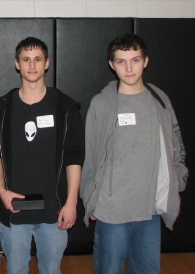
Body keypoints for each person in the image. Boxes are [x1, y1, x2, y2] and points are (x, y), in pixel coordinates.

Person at [79, 33, 188, 274]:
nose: (129, 68)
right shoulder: (102, 103)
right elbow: (92, 157)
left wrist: (177, 179)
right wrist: (91, 200)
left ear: (145, 61)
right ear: (111, 64)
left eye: (135, 60)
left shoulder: (160, 100)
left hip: (150, 211)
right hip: (111, 212)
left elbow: (176, 147)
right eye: (121, 61)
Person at [0, 37, 85, 274]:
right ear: (17, 64)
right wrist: (2, 191)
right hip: (14, 210)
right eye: (26, 59)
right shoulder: (2, 108)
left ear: (47, 63)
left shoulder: (65, 107)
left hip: (53, 211)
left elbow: (74, 158)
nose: (32, 65)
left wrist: (71, 203)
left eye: (38, 59)